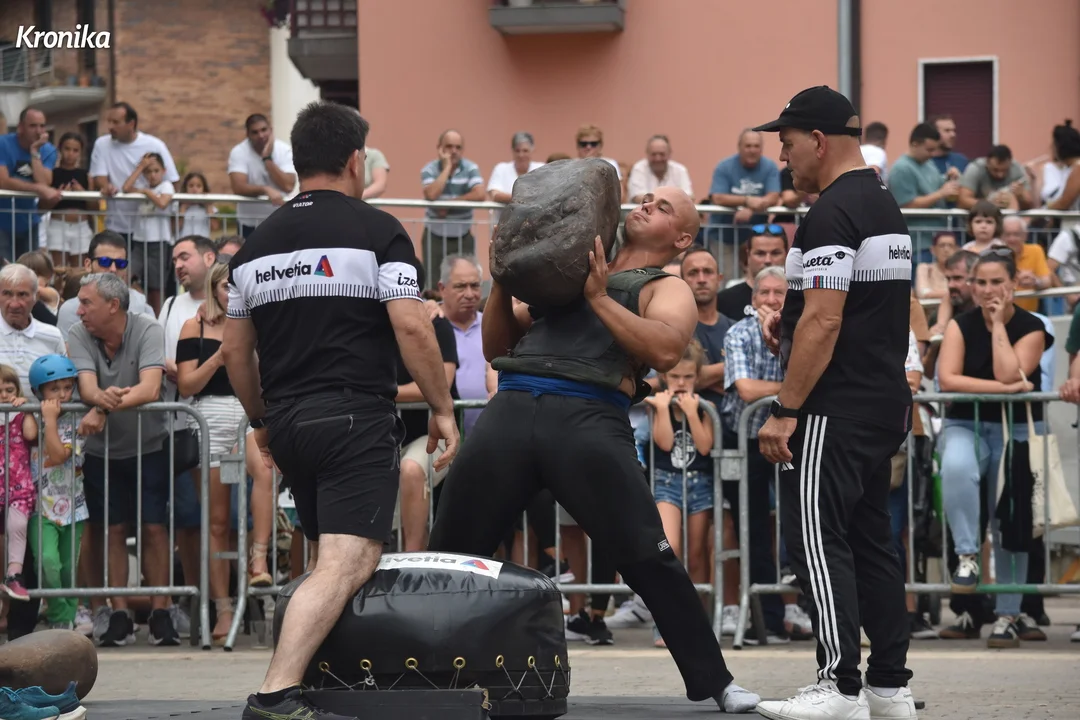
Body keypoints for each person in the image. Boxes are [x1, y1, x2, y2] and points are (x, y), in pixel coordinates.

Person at [427, 186, 762, 714]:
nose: (646, 204)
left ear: (682, 238)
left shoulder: (666, 286)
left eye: (663, 207)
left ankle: (716, 682)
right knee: (450, 549)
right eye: (646, 198)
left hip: (587, 416)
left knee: (649, 555)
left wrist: (601, 298)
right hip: (512, 405)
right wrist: (502, 283)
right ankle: (421, 674)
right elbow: (497, 348)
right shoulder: (567, 267)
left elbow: (665, 349)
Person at [222, 101, 458, 720]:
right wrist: (442, 407)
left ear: (297, 161)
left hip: (289, 421)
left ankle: (323, 680)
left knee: (328, 558)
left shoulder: (252, 248)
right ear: (356, 160)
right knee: (346, 561)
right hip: (353, 417)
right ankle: (276, 694)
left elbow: (235, 352)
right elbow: (412, 326)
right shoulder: (379, 230)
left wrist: (260, 421)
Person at [751, 86, 918, 720]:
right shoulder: (882, 203)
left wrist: (785, 408)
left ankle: (838, 686)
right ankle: (889, 688)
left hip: (834, 408)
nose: (783, 158)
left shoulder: (830, 212)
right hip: (878, 402)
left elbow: (825, 321)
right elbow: (854, 313)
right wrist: (791, 331)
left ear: (819, 141)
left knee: (816, 540)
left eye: (787, 143)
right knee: (872, 543)